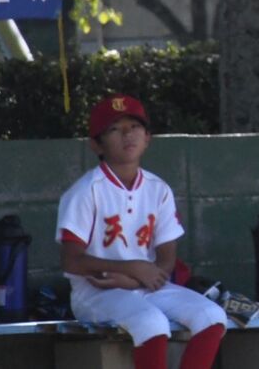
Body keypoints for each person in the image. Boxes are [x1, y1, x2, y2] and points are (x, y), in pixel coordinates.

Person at [56, 95, 227, 369]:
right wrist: (131, 269)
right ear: (96, 144)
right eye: (115, 129)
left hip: (146, 285)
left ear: (147, 137)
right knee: (152, 323)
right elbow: (71, 261)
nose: (127, 134)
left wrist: (136, 279)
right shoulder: (86, 191)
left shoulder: (158, 189)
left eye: (134, 127)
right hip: (94, 292)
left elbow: (166, 259)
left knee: (212, 316)